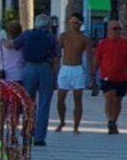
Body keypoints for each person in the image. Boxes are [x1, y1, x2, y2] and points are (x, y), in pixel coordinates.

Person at [13, 10, 61, 147]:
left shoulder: (27, 34)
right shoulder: (51, 38)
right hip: (45, 69)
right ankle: (39, 137)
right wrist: (54, 77)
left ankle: (27, 131)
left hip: (28, 69)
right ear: (48, 25)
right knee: (44, 104)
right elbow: (56, 58)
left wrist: (3, 41)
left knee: (28, 102)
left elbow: (14, 45)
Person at [92, 18, 127, 135]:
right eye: (115, 28)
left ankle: (113, 122)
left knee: (118, 101)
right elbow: (97, 59)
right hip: (107, 77)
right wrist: (93, 73)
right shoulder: (103, 44)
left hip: (122, 77)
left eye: (119, 29)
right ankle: (110, 120)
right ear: (109, 30)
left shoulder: (125, 43)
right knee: (109, 98)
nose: (118, 31)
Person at [55, 17, 92, 134]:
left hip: (77, 69)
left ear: (80, 24)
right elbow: (56, 53)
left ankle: (76, 127)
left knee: (78, 99)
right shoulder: (63, 36)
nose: (74, 25)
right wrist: (54, 69)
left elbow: (89, 56)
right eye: (72, 22)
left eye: (76, 23)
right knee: (60, 98)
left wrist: (92, 73)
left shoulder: (84, 39)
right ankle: (62, 121)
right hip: (65, 68)